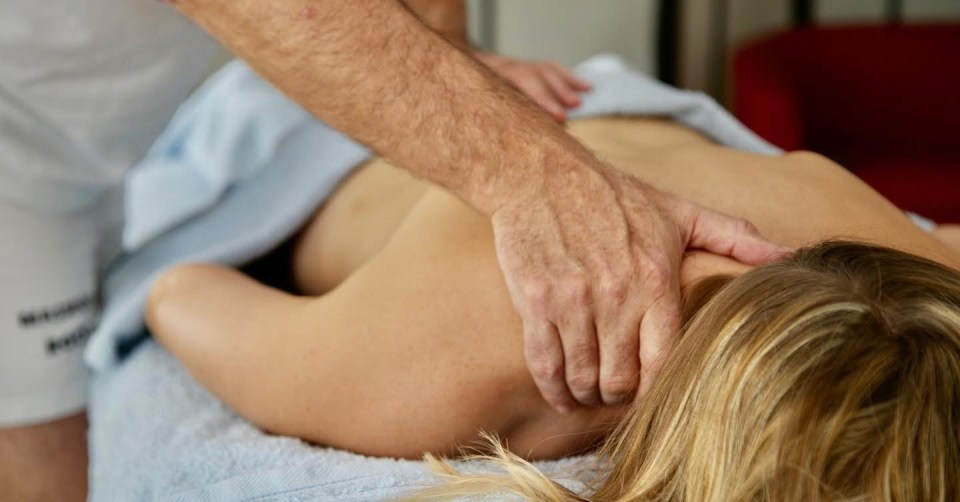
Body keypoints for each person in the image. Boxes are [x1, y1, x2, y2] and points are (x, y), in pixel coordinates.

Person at [1, 2, 784, 498]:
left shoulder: (882, 254)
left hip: (182, 103)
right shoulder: (444, 357)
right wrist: (531, 174)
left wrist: (445, 54)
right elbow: (172, 292)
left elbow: (178, 294)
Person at [145, 115, 960, 499]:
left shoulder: (916, 277)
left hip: (617, 104)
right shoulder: (434, 363)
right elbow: (175, 292)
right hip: (311, 133)